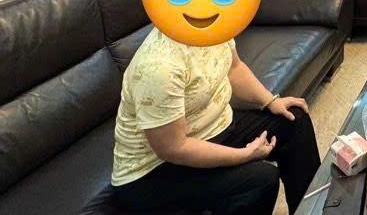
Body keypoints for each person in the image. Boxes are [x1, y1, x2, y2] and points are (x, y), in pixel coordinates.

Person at [110, 24, 320, 215]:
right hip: (154, 171)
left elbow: (234, 68)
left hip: (213, 129)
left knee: (295, 120)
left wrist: (271, 101)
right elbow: (174, 148)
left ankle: (312, 210)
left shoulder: (215, 25)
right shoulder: (158, 66)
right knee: (261, 179)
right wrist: (245, 155)